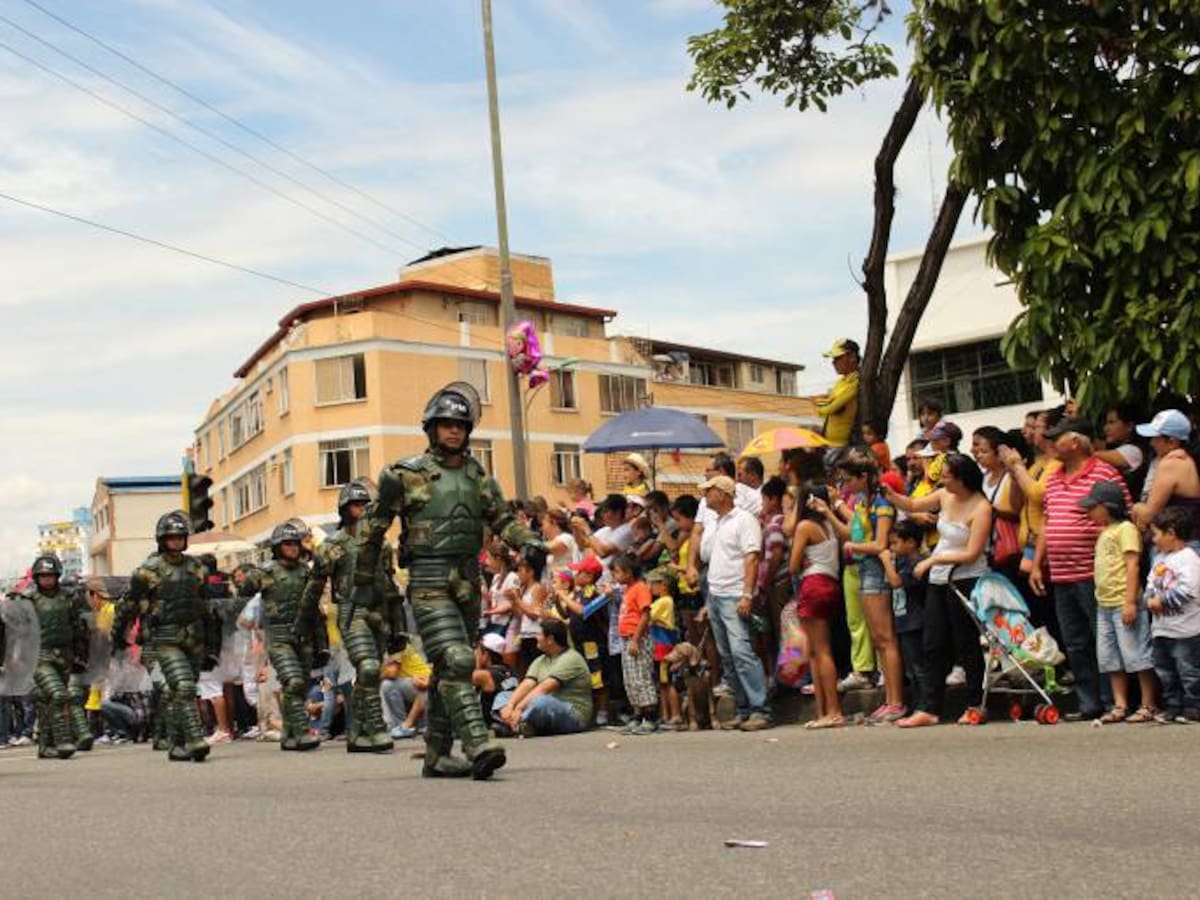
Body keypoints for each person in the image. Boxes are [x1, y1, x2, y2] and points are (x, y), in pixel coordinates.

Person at [352, 382, 541, 780]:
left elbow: (503, 520)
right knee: (456, 660)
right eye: (445, 424)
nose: (453, 430)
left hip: (468, 581)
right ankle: (477, 742)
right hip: (428, 578)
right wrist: (365, 583)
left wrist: (530, 541)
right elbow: (372, 529)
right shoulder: (403, 475)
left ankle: (437, 755)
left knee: (447, 670)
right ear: (431, 428)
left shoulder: (479, 478)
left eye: (460, 424)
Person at [1033, 418, 1132, 720]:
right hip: (1062, 573)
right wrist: (1038, 564)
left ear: (1075, 442)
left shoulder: (1103, 473)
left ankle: (1111, 700)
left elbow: (1123, 516)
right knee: (1075, 641)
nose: (1050, 442)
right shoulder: (1053, 477)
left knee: (1101, 637)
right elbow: (1048, 522)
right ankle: (1089, 702)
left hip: (1095, 572)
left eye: (1056, 437)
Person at [888, 453, 993, 727]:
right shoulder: (945, 495)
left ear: (961, 478)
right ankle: (929, 708)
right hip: (938, 579)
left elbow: (972, 553)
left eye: (946, 475)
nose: (942, 480)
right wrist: (888, 492)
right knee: (932, 643)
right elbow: (911, 503)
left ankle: (974, 704)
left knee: (966, 643)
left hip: (965, 578)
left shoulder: (981, 507)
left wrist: (933, 558)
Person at [304, 479, 404, 753]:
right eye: (356, 504)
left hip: (380, 611)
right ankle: (375, 729)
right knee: (368, 667)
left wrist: (399, 629)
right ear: (344, 509)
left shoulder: (382, 546)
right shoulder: (332, 545)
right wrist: (306, 626)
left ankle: (357, 732)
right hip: (351, 611)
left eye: (365, 504)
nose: (361, 509)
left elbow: (391, 586)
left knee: (369, 673)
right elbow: (313, 589)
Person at [114, 511, 219, 762]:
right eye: (170, 537)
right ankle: (195, 740)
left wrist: (213, 646)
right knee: (183, 686)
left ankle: (177, 743)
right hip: (164, 638)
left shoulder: (196, 568)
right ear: (162, 540)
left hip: (193, 638)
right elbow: (127, 606)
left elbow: (208, 608)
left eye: (179, 537)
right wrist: (118, 636)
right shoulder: (147, 571)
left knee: (181, 692)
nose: (175, 541)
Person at [817, 454, 903, 721]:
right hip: (865, 569)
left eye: (849, 479)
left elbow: (880, 544)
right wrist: (829, 512)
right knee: (877, 640)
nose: (845, 484)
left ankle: (896, 701)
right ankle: (889, 699)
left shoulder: (880, 503)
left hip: (875, 570)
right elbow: (849, 532)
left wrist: (853, 546)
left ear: (863, 477)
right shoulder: (864, 503)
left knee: (886, 639)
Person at [239, 521, 327, 751]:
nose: (292, 548)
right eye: (287, 544)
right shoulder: (267, 572)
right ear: (277, 546)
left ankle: (289, 733)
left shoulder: (307, 572)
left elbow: (314, 610)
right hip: (278, 636)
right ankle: (302, 732)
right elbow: (242, 592)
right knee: (293, 680)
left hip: (305, 635)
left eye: (295, 543)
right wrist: (253, 577)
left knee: (300, 685)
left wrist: (322, 644)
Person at [1079, 481, 1158, 724]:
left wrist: (1130, 601)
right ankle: (1120, 703)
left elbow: (1132, 564)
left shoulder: (1125, 529)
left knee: (1136, 654)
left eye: (1093, 507)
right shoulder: (1105, 531)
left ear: (1108, 506)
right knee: (1109, 657)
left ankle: (1148, 703)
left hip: (1123, 599)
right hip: (1104, 603)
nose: (1089, 512)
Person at [697, 475, 771, 730]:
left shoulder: (744, 520)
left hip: (734, 594)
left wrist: (747, 594)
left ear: (724, 494)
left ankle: (760, 709)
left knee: (742, 652)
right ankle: (743, 709)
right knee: (728, 656)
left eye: (710, 491)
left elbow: (751, 558)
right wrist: (709, 600)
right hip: (717, 595)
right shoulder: (717, 523)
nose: (705, 495)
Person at [22, 556, 89, 759]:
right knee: (59, 695)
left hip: (65, 655)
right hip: (38, 656)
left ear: (57, 576)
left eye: (50, 575)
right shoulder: (27, 599)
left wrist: (81, 655)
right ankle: (64, 741)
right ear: (36, 577)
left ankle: (45, 745)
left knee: (46, 700)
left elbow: (79, 628)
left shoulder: (69, 597)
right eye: (43, 576)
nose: (47, 580)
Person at [788, 486, 843, 728]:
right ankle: (823, 711)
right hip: (830, 582)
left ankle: (832, 711)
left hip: (813, 583)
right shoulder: (830, 525)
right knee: (816, 651)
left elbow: (792, 565)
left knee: (820, 651)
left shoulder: (804, 527)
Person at [1144, 508, 1200, 723]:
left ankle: (1193, 706)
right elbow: (1150, 583)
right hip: (1162, 628)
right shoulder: (1160, 558)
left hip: (1186, 629)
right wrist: (1148, 599)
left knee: (1189, 670)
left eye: (1157, 534)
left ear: (1172, 532)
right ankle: (1172, 705)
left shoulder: (1189, 558)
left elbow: (1189, 589)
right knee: (1165, 670)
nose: (1154, 539)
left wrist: (1163, 601)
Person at [497, 619, 593, 736]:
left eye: (539, 634)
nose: (536, 637)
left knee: (541, 701)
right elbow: (528, 684)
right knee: (503, 695)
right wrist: (510, 705)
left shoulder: (571, 658)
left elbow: (544, 688)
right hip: (543, 713)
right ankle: (520, 725)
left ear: (550, 639)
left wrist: (519, 709)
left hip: (572, 715)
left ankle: (513, 725)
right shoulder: (540, 660)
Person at [880, 520, 928, 711]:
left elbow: (896, 582)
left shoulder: (916, 563)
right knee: (911, 668)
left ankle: (925, 705)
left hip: (914, 621)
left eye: (896, 543)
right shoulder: (902, 562)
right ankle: (917, 703)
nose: (892, 548)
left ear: (911, 543)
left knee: (918, 667)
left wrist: (885, 560)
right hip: (903, 620)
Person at [1132, 409, 1200, 535]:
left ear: (1172, 442)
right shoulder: (1185, 460)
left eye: (1156, 438)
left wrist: (1136, 507)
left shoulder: (1171, 463)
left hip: (1179, 545)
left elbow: (1149, 515)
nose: (1152, 443)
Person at [611, 554, 659, 734]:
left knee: (641, 677)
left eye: (617, 572)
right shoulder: (627, 589)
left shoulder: (640, 588)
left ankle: (651, 717)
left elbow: (645, 615)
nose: (615, 576)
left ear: (629, 572)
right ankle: (638, 715)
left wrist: (636, 640)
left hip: (636, 638)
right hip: (626, 639)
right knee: (630, 679)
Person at [973, 426, 1026, 581]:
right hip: (988, 550)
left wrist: (991, 511)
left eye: (984, 451)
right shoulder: (982, 478)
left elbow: (1018, 511)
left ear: (999, 454)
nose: (978, 455)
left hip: (1010, 549)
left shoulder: (1011, 478)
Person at [647, 567, 682, 729]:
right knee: (662, 683)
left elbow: (649, 616)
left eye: (655, 583)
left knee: (667, 682)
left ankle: (674, 715)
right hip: (658, 645)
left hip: (664, 646)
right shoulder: (662, 601)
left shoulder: (664, 601)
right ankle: (665, 715)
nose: (651, 586)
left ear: (665, 585)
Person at [1096, 404, 1149, 500]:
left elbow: (1092, 454)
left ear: (1129, 426)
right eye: (1106, 423)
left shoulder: (1134, 451)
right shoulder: (1118, 447)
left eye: (1111, 422)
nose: (1106, 428)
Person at [814, 338, 859, 447]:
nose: (833, 362)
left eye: (838, 358)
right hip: (829, 444)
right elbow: (824, 407)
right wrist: (824, 405)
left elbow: (828, 408)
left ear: (852, 357)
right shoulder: (841, 381)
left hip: (842, 446)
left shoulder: (856, 381)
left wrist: (822, 404)